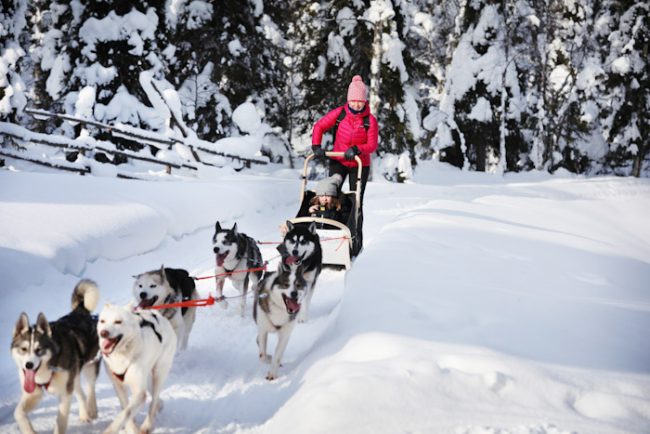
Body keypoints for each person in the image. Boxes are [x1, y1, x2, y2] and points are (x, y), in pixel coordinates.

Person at [311, 75, 378, 207]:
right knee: (330, 194)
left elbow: (372, 145)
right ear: (348, 100)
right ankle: (329, 223)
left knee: (356, 199)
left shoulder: (370, 121)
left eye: (360, 101)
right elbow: (319, 126)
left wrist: (356, 149)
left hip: (359, 164)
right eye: (353, 100)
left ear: (365, 101)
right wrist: (316, 146)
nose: (356, 104)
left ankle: (355, 227)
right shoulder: (340, 113)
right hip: (339, 161)